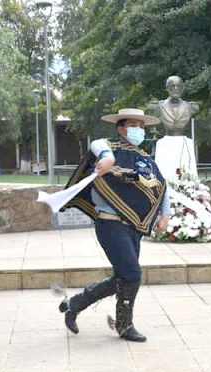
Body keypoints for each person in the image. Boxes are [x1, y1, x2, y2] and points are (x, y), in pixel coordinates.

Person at [59, 108, 171, 342]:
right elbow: (97, 144)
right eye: (133, 125)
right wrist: (107, 158)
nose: (138, 130)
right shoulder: (107, 149)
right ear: (120, 128)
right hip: (110, 224)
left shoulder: (144, 159)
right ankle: (124, 325)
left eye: (141, 126)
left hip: (134, 226)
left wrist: (165, 214)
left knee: (122, 277)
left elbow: (161, 185)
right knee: (132, 274)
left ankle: (74, 304)